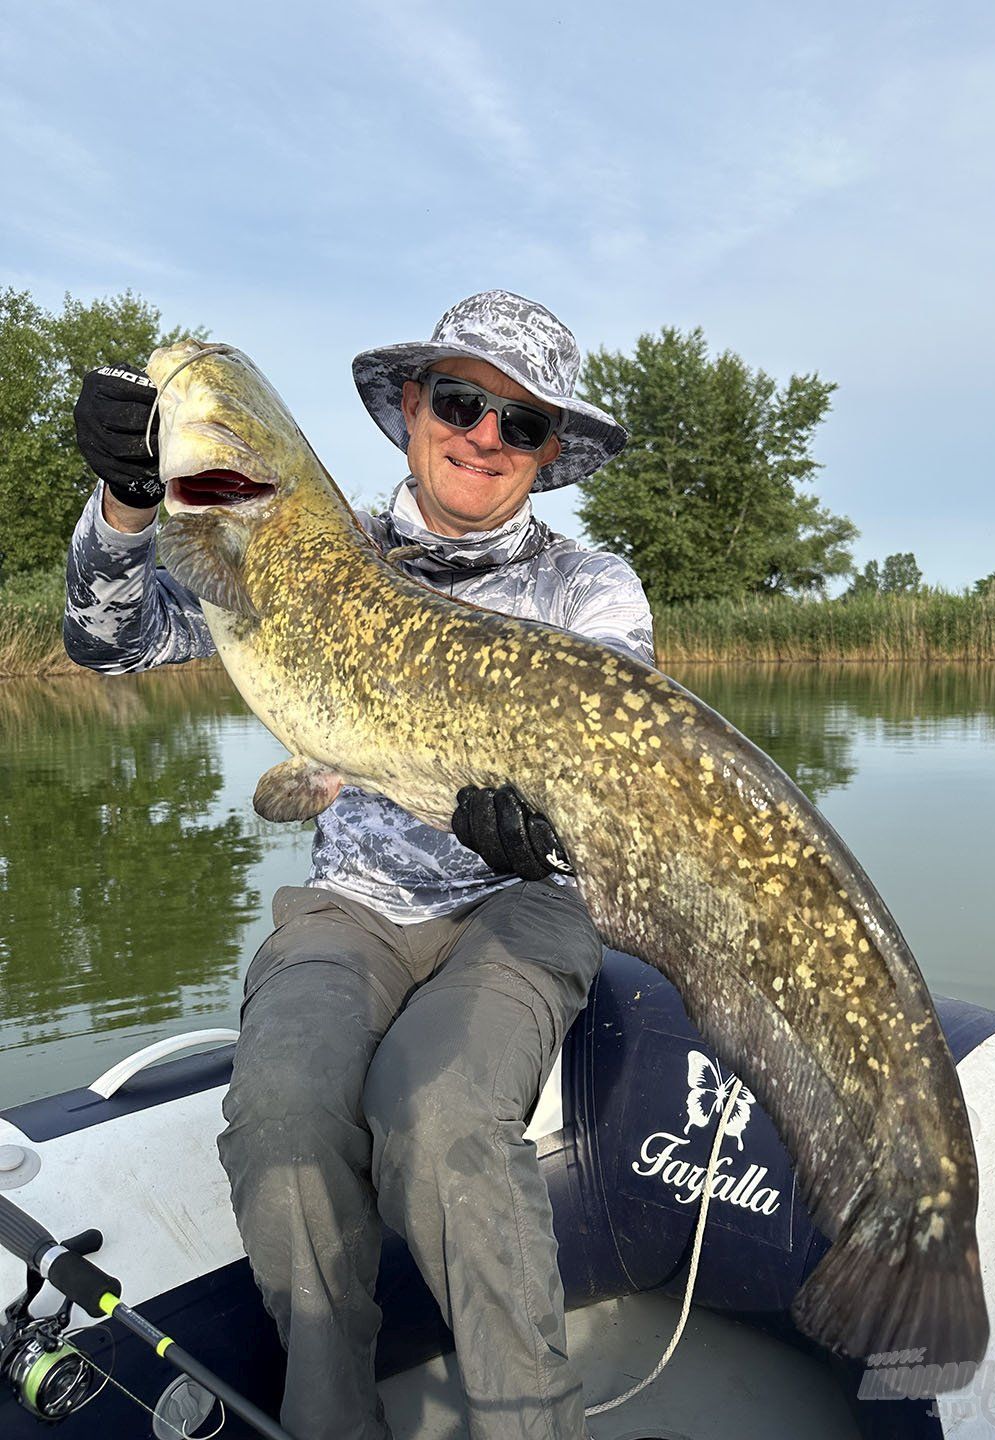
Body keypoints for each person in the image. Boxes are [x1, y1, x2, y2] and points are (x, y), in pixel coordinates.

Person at [65, 290, 654, 1440]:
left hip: (519, 904)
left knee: (435, 1112)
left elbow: (611, 778)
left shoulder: (590, 588)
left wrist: (545, 821)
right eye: (463, 401)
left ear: (549, 455)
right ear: (411, 406)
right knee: (280, 1108)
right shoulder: (292, 541)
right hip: (352, 903)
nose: (485, 436)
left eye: (520, 423)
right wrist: (128, 506)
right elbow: (108, 643)